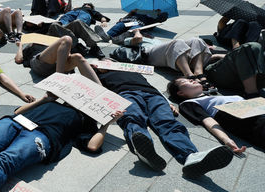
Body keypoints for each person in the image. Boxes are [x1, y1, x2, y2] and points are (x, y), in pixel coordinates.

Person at [95, 68, 233, 176]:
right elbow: (94, 87)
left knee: (167, 122)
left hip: (154, 95)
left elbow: (151, 85)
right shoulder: (99, 74)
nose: (108, 61)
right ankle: (141, 147)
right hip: (125, 94)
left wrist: (167, 102)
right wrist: (94, 68)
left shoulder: (132, 71)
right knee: (133, 118)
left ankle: (192, 157)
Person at [168, 78, 265, 154]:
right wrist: (226, 139)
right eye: (186, 81)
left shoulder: (216, 96)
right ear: (180, 92)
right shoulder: (189, 103)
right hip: (255, 122)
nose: (193, 80)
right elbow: (207, 120)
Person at [200, 41, 265, 99]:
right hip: (218, 72)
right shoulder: (198, 47)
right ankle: (252, 94)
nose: (208, 46)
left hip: (250, 71)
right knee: (252, 46)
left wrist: (220, 55)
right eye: (204, 45)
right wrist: (214, 56)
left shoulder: (218, 48)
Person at [15, 34, 99, 78]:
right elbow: (18, 59)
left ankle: (102, 92)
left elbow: (67, 56)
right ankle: (59, 79)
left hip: (57, 66)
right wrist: (21, 45)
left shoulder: (54, 43)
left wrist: (85, 65)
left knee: (78, 56)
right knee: (67, 39)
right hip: (40, 64)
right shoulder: (32, 44)